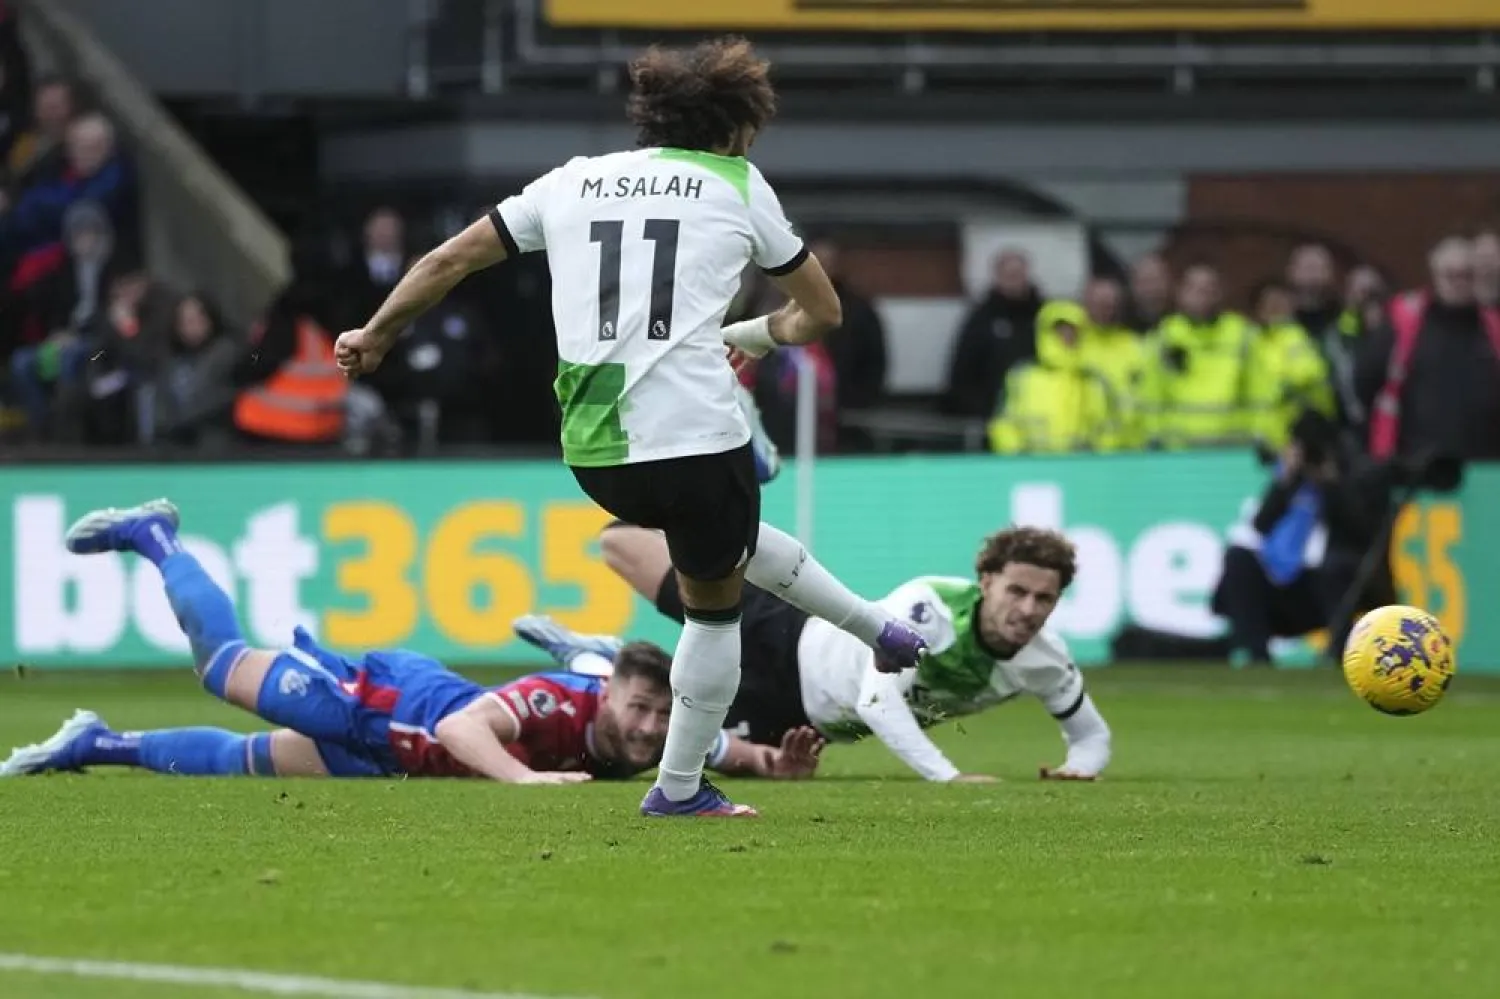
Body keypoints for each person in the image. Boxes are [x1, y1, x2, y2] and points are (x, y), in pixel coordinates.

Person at [331, 36, 928, 818]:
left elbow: (449, 260)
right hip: (696, 438)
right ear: (735, 128)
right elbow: (823, 312)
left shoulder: (570, 181)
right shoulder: (737, 183)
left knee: (731, 542)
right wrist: (749, 336)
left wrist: (375, 333)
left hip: (595, 451)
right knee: (716, 605)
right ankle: (680, 787)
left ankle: (872, 623)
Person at [0, 499, 823, 784]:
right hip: (385, 709)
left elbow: (712, 743)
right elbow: (466, 732)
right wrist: (523, 781)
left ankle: (93, 744)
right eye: (641, 709)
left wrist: (772, 764)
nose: (651, 729)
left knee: (243, 761)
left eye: (654, 716)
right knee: (221, 669)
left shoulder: (649, 729)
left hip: (401, 754)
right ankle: (157, 539)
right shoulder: (548, 705)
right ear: (608, 696)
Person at [515, 523, 1112, 783]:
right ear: (986, 581)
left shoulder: (1045, 661)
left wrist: (1079, 768)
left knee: (644, 751)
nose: (1029, 609)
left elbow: (1090, 736)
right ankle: (602, 656)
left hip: (795, 721)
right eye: (1018, 591)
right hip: (784, 641)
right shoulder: (930, 608)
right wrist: (949, 778)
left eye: (1045, 599)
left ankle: (605, 661)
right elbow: (877, 701)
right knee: (619, 542)